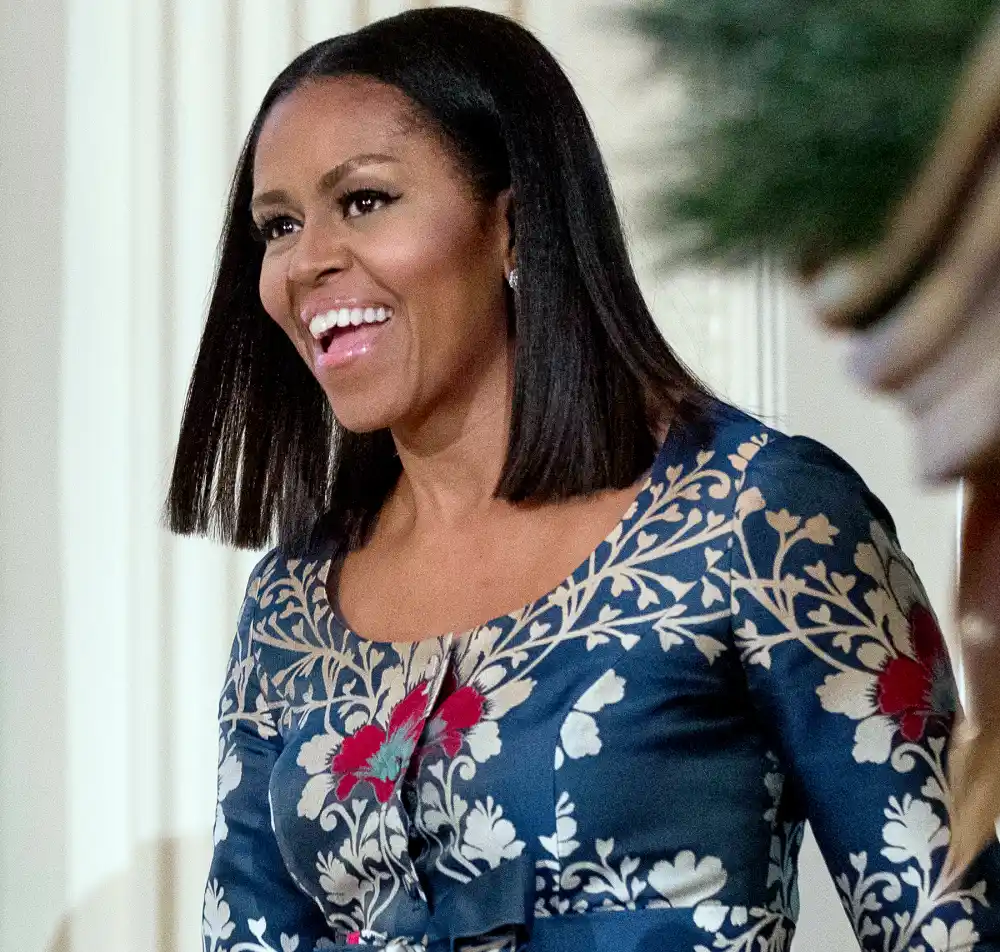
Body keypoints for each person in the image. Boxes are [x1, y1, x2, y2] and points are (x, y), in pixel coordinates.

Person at [168, 9, 1000, 952]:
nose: (305, 261)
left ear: (513, 225)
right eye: (278, 225)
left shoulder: (762, 517)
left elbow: (950, 925)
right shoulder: (289, 602)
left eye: (363, 201)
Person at [802, 11, 1000, 873]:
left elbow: (941, 907)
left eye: (367, 200)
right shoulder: (327, 563)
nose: (325, 254)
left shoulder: (773, 513)